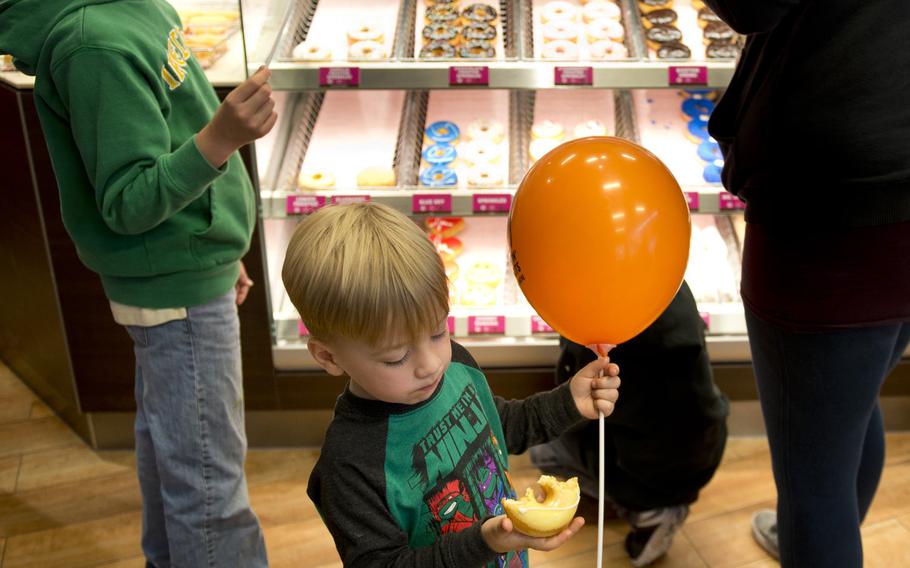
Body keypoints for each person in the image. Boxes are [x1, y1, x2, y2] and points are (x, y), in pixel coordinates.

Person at [0, 0, 278, 565]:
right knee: (208, 485)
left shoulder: (130, 11)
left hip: (188, 270)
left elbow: (171, 130)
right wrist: (223, 136)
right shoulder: (92, 44)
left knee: (175, 455)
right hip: (175, 290)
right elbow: (127, 202)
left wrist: (218, 250)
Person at [281, 202, 622, 567]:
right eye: (396, 357)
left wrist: (568, 402)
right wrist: (484, 542)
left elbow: (499, 426)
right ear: (329, 358)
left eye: (438, 332)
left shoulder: (455, 364)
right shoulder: (350, 465)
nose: (431, 365)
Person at [702, 1, 910, 565]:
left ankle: (819, 536)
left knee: (814, 494)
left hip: (834, 199)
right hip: (884, 176)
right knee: (850, 401)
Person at [530, 281, 729, 567]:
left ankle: (651, 512)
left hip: (652, 466)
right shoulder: (663, 287)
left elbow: (578, 403)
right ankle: (640, 501)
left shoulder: (600, 324)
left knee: (545, 453)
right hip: (702, 439)